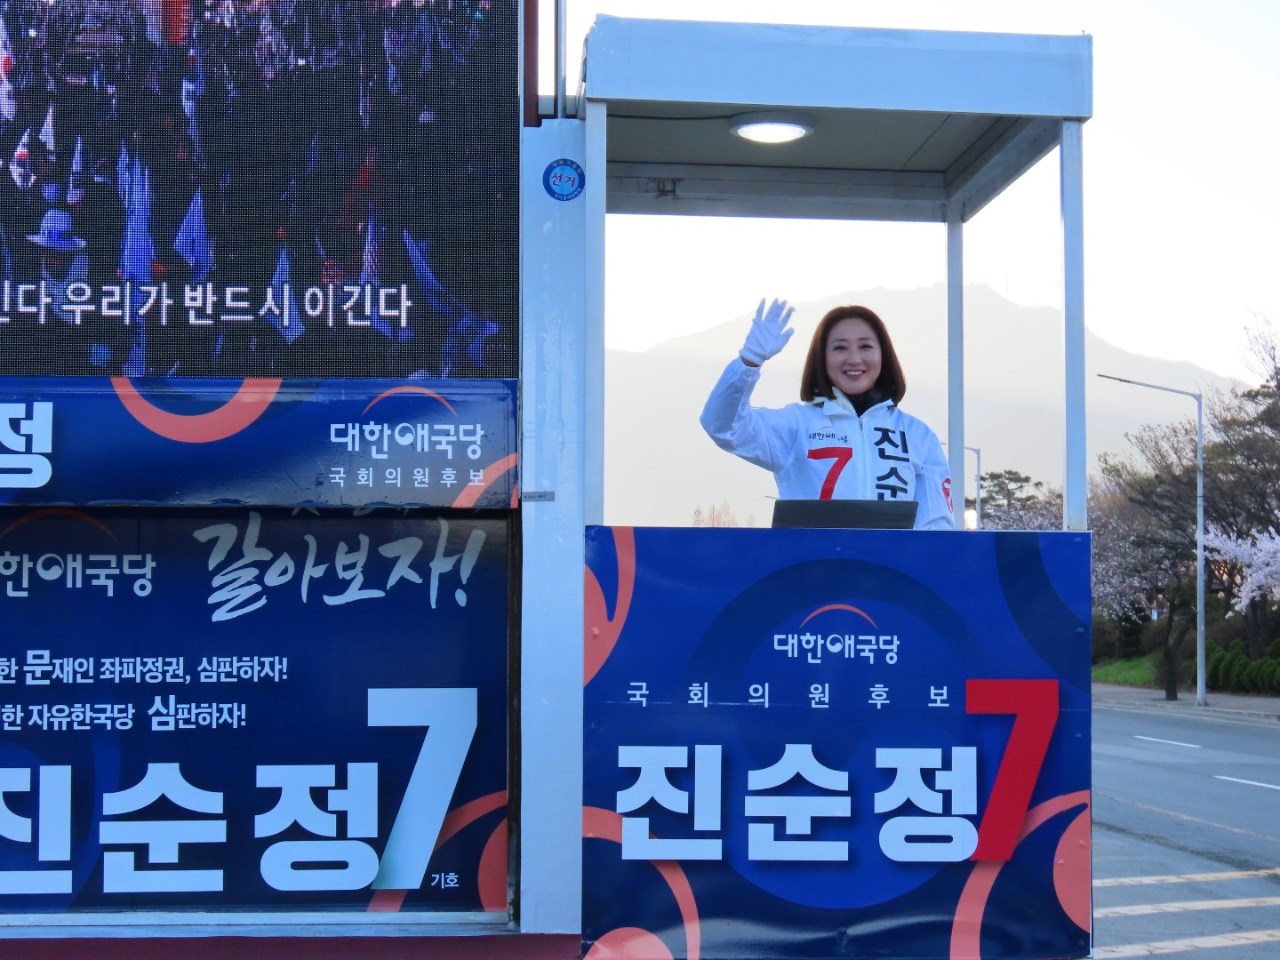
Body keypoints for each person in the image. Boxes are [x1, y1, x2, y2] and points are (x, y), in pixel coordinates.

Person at [700, 298, 955, 530]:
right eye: (840, 348)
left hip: (888, 567)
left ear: (883, 355)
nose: (854, 358)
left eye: (865, 346)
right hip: (809, 565)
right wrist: (748, 362)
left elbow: (937, 527)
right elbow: (722, 426)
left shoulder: (918, 436)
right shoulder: (796, 424)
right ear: (822, 358)